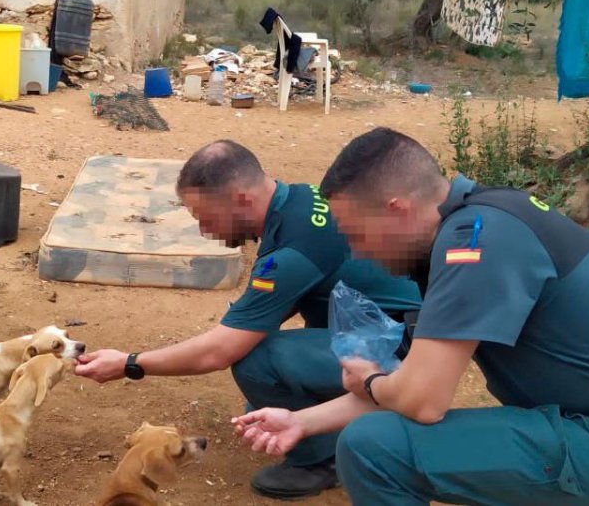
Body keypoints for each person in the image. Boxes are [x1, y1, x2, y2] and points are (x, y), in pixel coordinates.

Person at [234, 127, 589, 506]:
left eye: (356, 234)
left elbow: (420, 400)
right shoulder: (472, 226)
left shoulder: (473, 241)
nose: (357, 252)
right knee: (380, 432)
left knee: (372, 447)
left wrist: (372, 382)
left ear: (396, 209)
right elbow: (407, 387)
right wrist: (303, 422)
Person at [76, 139, 421, 500]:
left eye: (205, 217)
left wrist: (131, 364)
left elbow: (219, 352)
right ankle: (342, 416)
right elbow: (270, 306)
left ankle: (320, 461)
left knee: (255, 362)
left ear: (241, 198)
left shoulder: (289, 254)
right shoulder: (300, 200)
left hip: (399, 349)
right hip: (382, 326)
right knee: (259, 397)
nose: (204, 230)